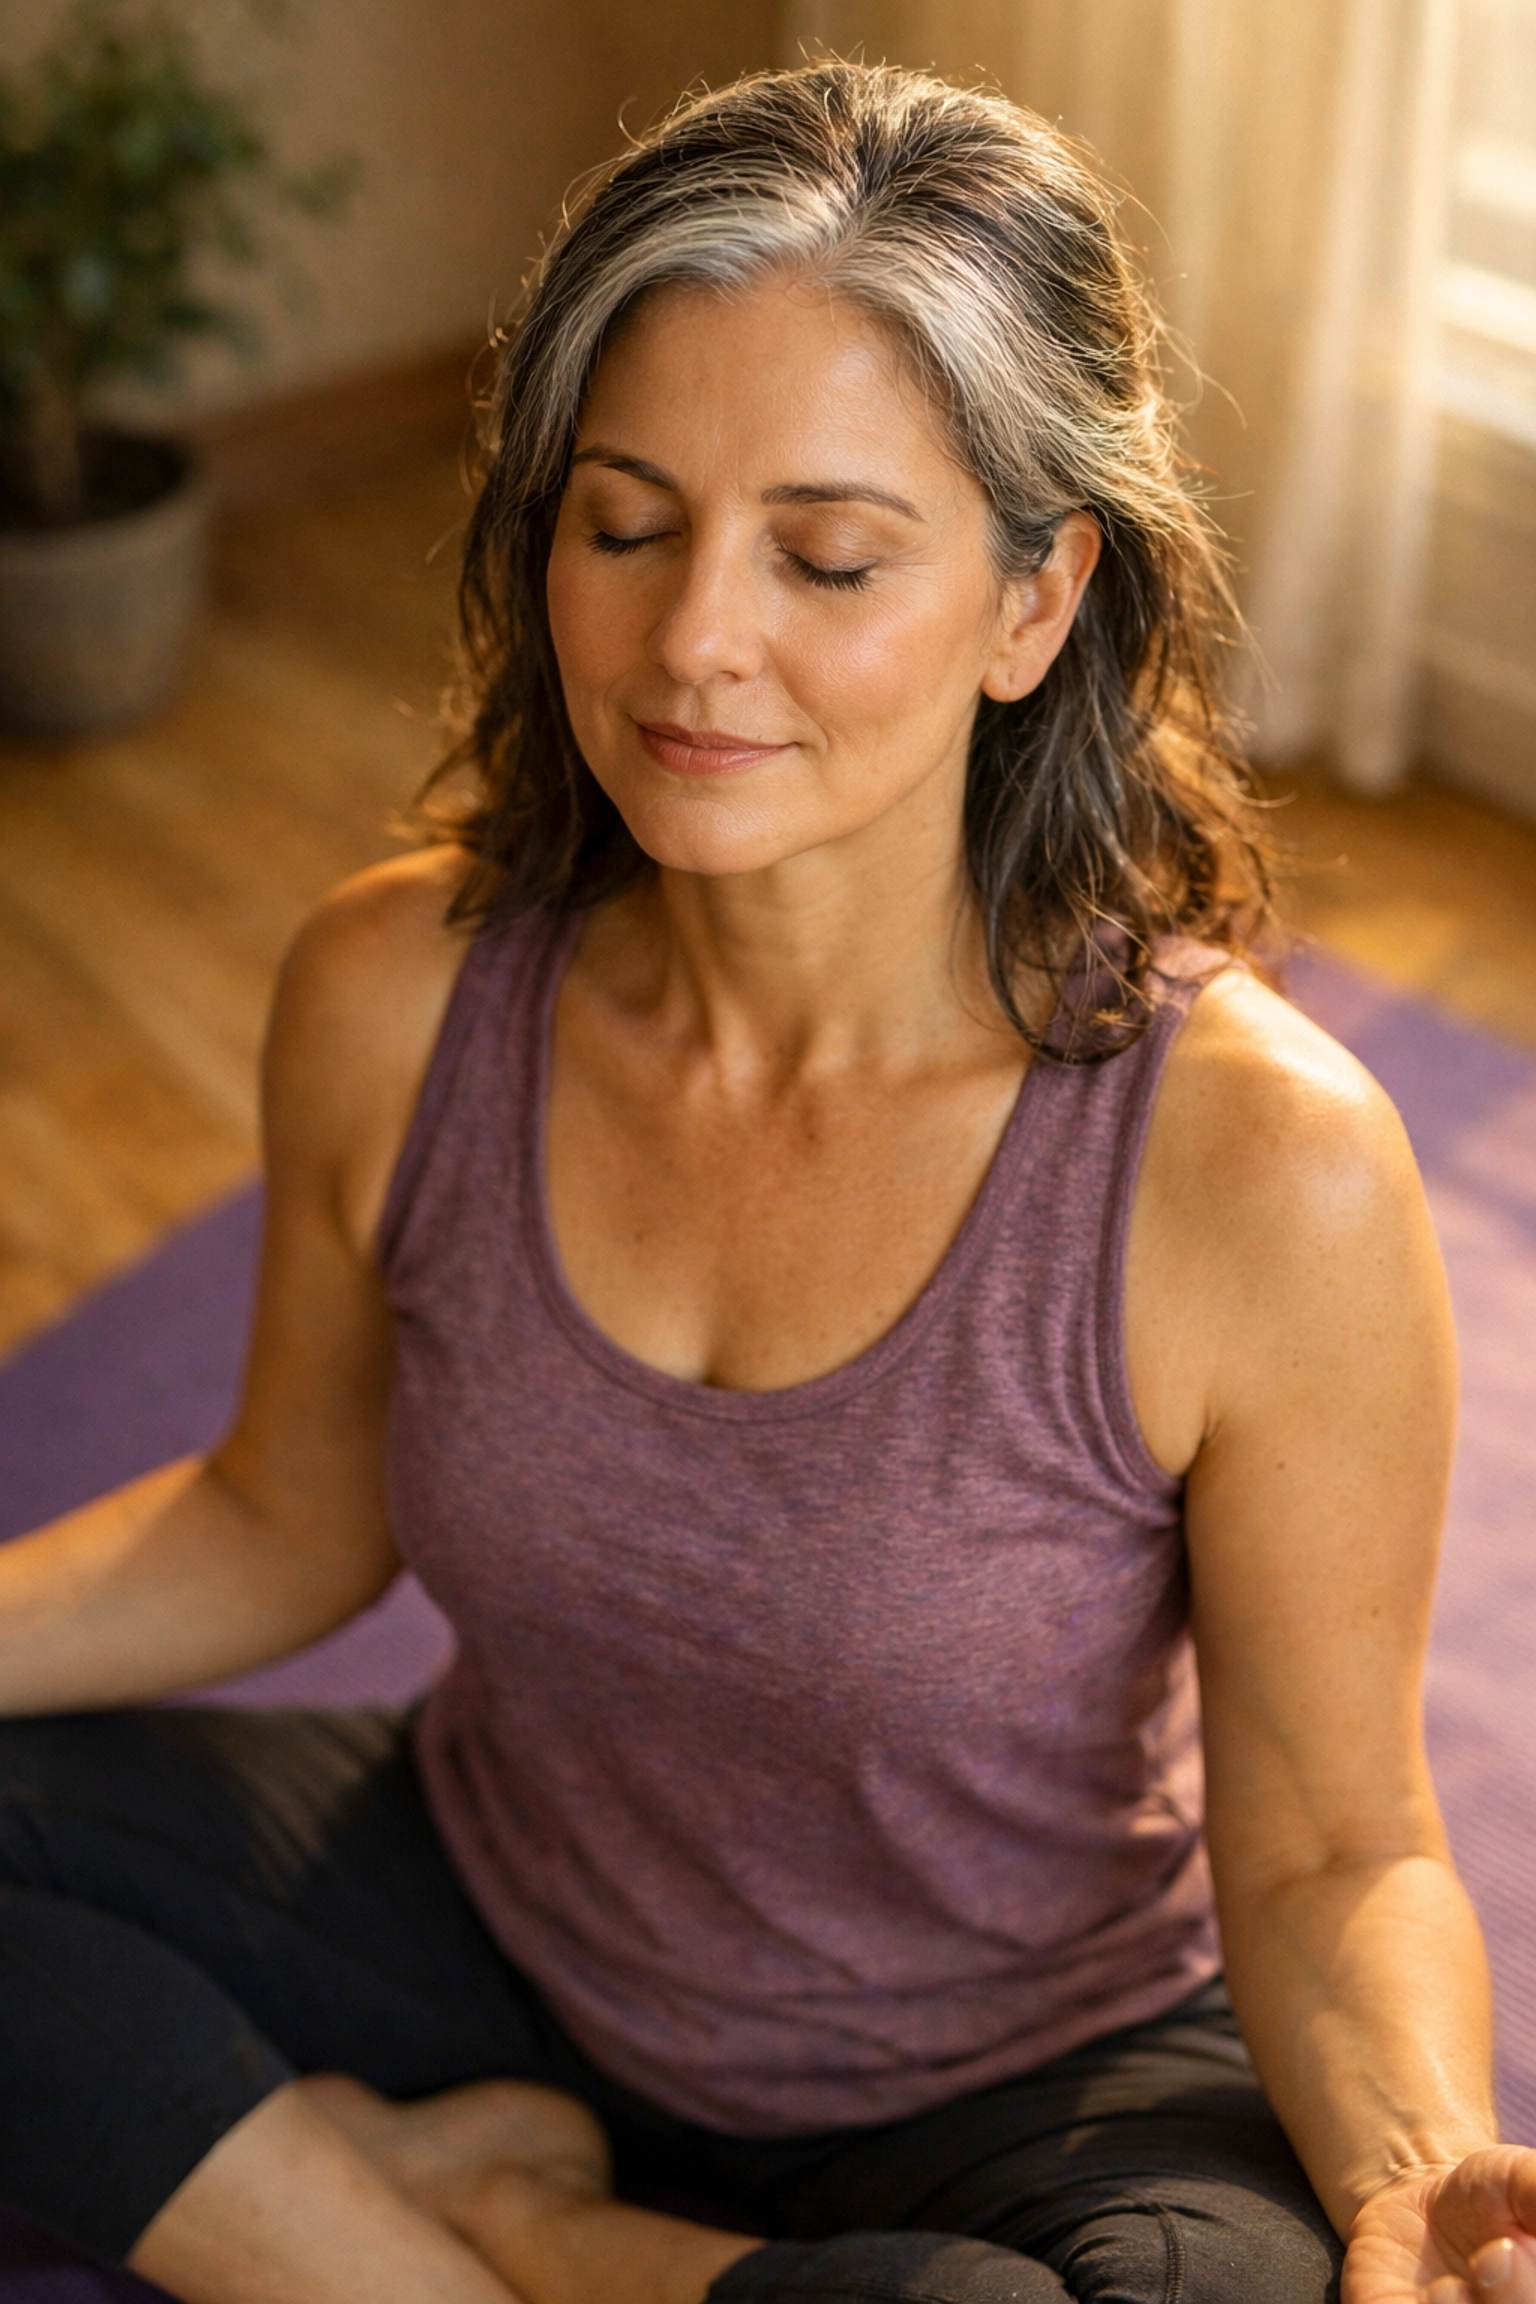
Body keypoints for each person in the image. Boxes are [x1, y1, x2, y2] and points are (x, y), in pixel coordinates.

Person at [0, 59, 1530, 2304]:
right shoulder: (398, 989)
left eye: (827, 555)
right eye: (623, 526)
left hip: (1031, 2066)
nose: (694, 638)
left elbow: (1332, 1837)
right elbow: (284, 1512)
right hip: (497, 1919)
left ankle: (500, 2219)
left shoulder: (1256, 1166)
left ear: (1034, 605)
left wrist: (1411, 2170)